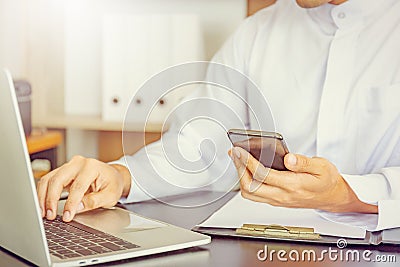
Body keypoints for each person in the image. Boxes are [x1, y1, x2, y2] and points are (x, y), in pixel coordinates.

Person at [37, 0, 400, 231]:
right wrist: (121, 175)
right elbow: (201, 141)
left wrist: (350, 196)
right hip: (268, 248)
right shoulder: (260, 30)